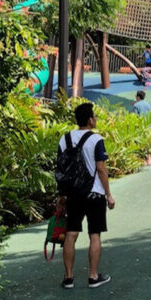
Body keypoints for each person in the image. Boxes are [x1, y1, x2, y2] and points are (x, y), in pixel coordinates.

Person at [56, 103, 114, 289]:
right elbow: (101, 168)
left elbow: (61, 170)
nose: (95, 119)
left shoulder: (64, 140)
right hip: (94, 192)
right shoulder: (96, 139)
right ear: (90, 120)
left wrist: (61, 196)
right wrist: (109, 194)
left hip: (72, 193)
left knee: (71, 234)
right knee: (94, 234)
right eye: (94, 116)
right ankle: (93, 276)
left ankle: (68, 277)